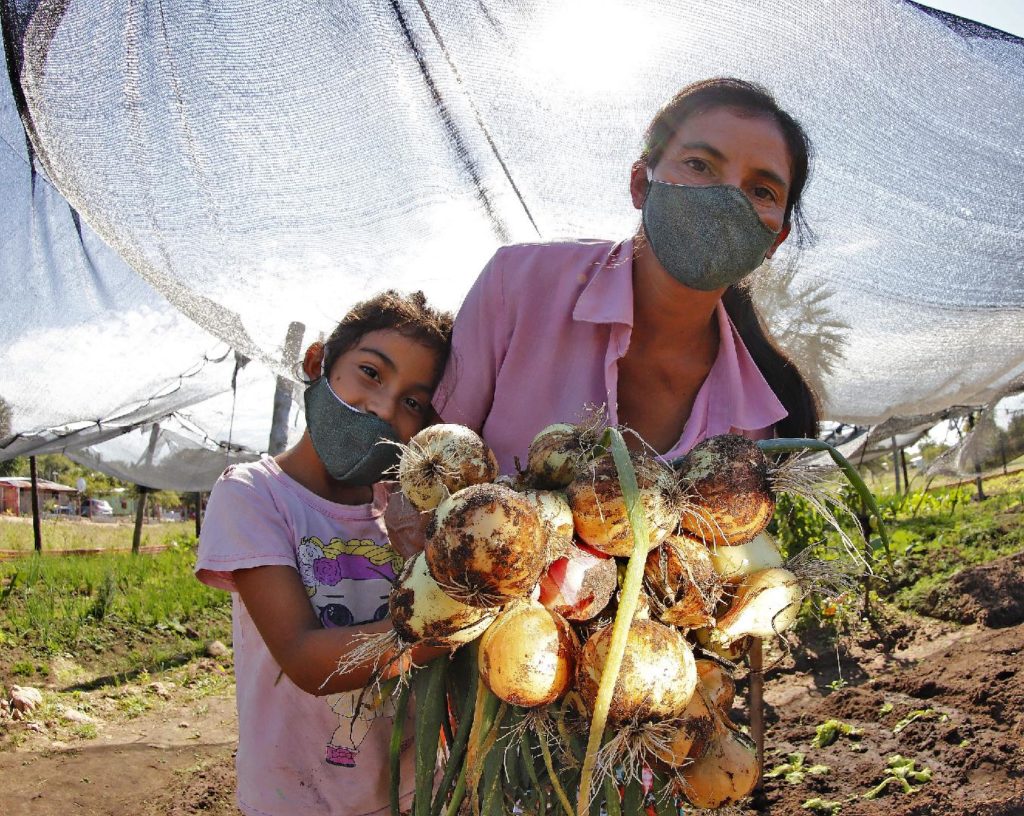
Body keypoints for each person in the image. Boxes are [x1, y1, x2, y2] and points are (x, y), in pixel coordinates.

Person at [432, 77, 820, 475]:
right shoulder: (517, 283)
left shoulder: (759, 424)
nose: (728, 201)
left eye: (762, 191)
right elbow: (429, 468)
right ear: (640, 184)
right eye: (699, 165)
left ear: (776, 240)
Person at [195, 290, 453, 816]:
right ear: (318, 363)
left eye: (411, 402)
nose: (382, 408)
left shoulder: (404, 509)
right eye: (371, 373)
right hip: (296, 800)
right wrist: (446, 631)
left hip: (410, 793)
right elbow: (304, 657)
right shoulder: (253, 495)